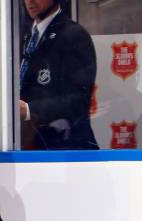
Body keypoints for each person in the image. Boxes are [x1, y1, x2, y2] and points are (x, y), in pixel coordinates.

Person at [19, 0, 98, 149]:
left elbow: (78, 101)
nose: (30, 0)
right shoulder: (24, 35)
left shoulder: (74, 36)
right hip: (29, 145)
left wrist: (29, 110)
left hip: (65, 150)